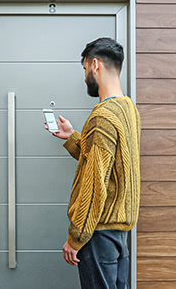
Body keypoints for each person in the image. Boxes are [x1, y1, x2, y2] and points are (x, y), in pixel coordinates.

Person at [44, 37, 141, 289]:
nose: (85, 75)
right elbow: (109, 166)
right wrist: (73, 136)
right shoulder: (128, 109)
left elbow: (95, 183)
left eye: (85, 68)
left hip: (99, 235)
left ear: (95, 65)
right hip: (120, 234)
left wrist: (75, 238)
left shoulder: (103, 116)